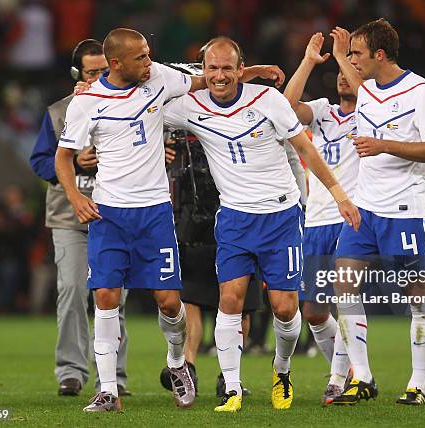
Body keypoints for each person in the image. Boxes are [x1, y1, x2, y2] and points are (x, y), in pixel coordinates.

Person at [58, 28, 285, 413]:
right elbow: (63, 156)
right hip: (109, 214)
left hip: (154, 213)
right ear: (116, 64)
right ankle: (108, 390)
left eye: (149, 54)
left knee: (168, 303)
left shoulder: (160, 78)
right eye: (141, 58)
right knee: (106, 296)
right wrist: (76, 197)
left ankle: (178, 362)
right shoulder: (87, 103)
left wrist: (255, 70)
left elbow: (207, 78)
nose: (150, 63)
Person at [163, 36, 361, 412]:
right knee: (230, 300)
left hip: (281, 217)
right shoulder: (189, 106)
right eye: (212, 69)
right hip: (235, 219)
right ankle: (233, 389)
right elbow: (147, 98)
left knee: (286, 310)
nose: (219, 76)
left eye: (227, 69)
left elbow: (305, 149)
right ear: (202, 72)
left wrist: (339, 194)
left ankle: (281, 371)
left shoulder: (268, 101)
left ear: (240, 70)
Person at [331, 18, 425, 406]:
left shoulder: (421, 91)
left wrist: (384, 145)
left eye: (357, 54)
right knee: (343, 285)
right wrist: (337, 51)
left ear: (379, 55)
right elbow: (357, 76)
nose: (352, 63)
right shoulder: (367, 90)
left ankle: (418, 383)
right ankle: (361, 376)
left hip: (406, 210)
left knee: (418, 298)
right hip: (365, 208)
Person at [30, 39, 131, 397]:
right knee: (72, 290)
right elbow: (40, 160)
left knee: (112, 296)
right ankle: (71, 371)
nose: (102, 77)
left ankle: (114, 376)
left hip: (114, 213)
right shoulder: (59, 112)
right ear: (77, 74)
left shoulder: (128, 104)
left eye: (106, 70)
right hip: (69, 215)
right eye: (93, 72)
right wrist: (73, 163)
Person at [283, 28, 361, 405]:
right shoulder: (323, 111)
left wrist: (344, 55)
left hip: (353, 219)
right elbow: (285, 108)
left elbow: (370, 94)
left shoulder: (371, 112)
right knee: (314, 311)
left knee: (347, 300)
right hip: (315, 220)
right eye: (342, 71)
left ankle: (337, 379)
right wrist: (308, 62)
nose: (345, 76)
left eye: (352, 70)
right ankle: (351, 371)